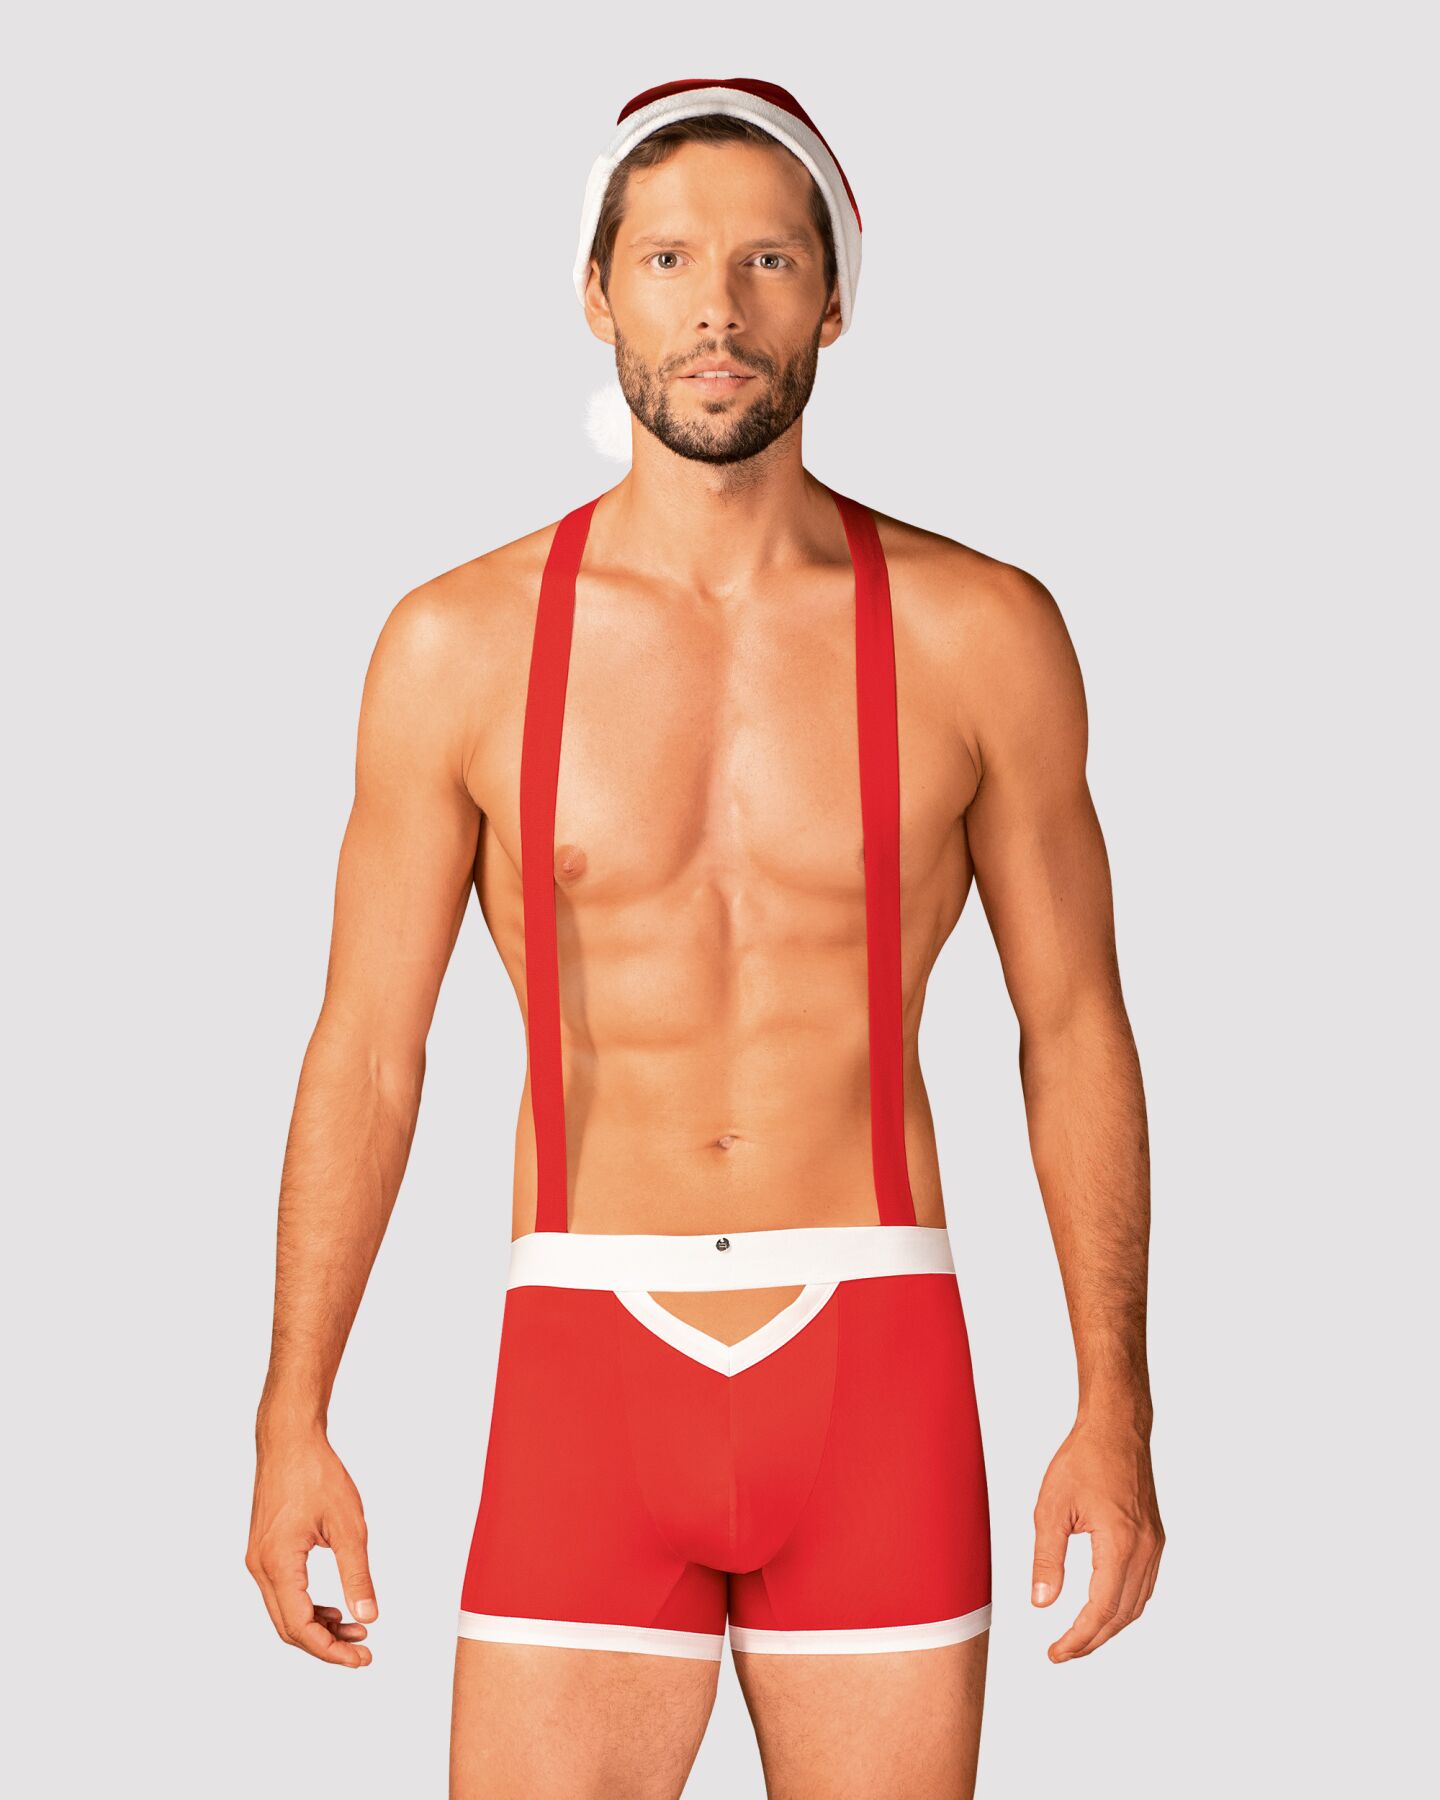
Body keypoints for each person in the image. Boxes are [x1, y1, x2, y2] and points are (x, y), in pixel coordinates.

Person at [246, 76, 1164, 1799]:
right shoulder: (456, 646)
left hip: (876, 1358)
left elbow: (1074, 1029)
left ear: (834, 300)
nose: (717, 308)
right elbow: (367, 1050)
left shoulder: (983, 634)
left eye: (767, 260)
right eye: (667, 259)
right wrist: (292, 1413)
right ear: (598, 294)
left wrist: (1116, 1404)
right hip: (585, 1351)